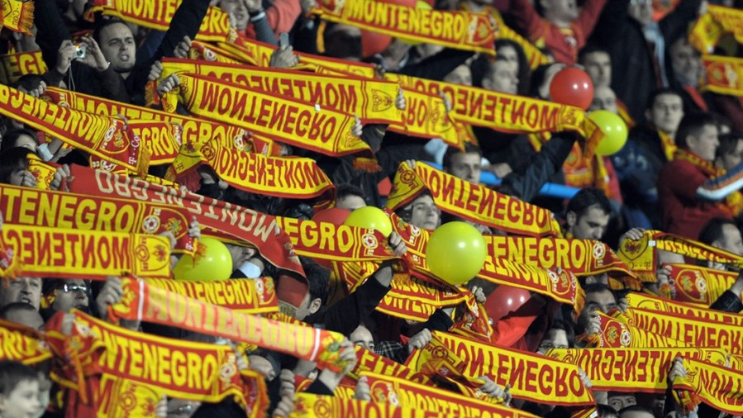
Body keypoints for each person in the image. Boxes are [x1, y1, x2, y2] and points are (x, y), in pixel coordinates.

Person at [590, 0, 704, 122]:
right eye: (636, 2)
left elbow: (683, 13)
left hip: (664, 110)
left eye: (648, 3)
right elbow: (614, 12)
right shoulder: (620, 33)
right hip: (634, 112)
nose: (644, 7)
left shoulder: (658, 32)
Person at [657, 112, 743, 239]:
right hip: (688, 247)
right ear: (691, 141)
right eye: (711, 137)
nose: (717, 143)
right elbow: (712, 192)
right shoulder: (676, 168)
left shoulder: (710, 171)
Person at [612, 89, 685, 229]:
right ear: (649, 114)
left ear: (682, 114)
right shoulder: (634, 144)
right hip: (646, 214)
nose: (668, 113)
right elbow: (642, 187)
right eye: (662, 107)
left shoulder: (686, 145)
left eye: (675, 108)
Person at [506, 0, 609, 64]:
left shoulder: (578, 30)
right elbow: (521, 5)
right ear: (545, 2)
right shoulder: (540, 29)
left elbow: (594, 5)